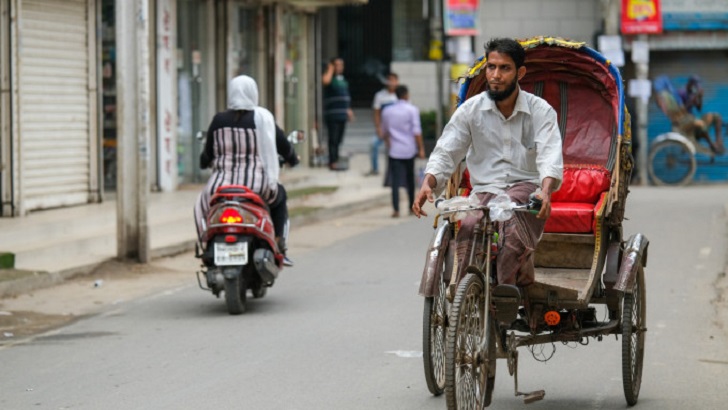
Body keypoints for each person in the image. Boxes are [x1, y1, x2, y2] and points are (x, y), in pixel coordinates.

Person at [412, 38, 563, 289]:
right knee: (469, 226)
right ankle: (465, 296)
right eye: (491, 67)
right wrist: (428, 182)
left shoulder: (541, 111)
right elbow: (447, 150)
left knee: (511, 227)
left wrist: (545, 191)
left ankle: (507, 291)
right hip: (484, 191)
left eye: (504, 68)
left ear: (520, 73)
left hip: (525, 188)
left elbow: (549, 154)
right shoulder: (471, 110)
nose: (495, 75)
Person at [194, 75, 299, 266]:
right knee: (280, 197)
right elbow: (284, 146)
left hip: (220, 186)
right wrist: (293, 158)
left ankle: (206, 245)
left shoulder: (218, 121)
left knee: (200, 205)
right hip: (257, 186)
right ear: (253, 93)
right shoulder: (263, 120)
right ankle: (278, 244)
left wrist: (203, 162)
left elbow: (207, 154)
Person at [381, 85, 425, 217]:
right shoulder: (412, 110)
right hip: (409, 149)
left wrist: (389, 144)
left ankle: (396, 209)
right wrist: (421, 148)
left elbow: (385, 131)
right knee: (410, 179)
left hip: (394, 150)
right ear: (406, 95)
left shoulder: (387, 111)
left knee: (395, 181)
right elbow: (416, 131)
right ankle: (411, 206)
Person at [322, 58, 354, 171]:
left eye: (341, 65)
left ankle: (335, 158)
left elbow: (346, 96)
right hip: (332, 114)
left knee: (339, 139)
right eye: (337, 65)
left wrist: (349, 109)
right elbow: (325, 81)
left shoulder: (343, 80)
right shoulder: (330, 78)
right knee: (333, 139)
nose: (339, 67)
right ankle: (332, 161)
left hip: (342, 114)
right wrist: (330, 69)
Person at [367, 72, 399, 176]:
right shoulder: (380, 96)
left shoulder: (399, 96)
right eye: (389, 80)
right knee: (373, 145)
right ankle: (375, 169)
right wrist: (378, 128)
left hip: (397, 130)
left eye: (393, 80)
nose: (391, 82)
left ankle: (394, 170)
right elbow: (376, 113)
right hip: (384, 129)